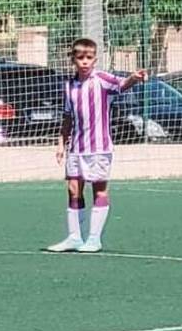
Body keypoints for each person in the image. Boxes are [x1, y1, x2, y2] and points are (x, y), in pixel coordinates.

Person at [46, 38, 146, 254]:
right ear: (73, 59)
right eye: (80, 58)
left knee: (99, 190)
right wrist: (61, 143)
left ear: (95, 59)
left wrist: (134, 78)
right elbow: (67, 117)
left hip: (100, 148)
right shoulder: (69, 86)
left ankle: (94, 239)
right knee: (73, 189)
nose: (85, 62)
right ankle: (74, 237)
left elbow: (122, 84)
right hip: (77, 147)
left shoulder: (102, 79)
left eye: (89, 58)